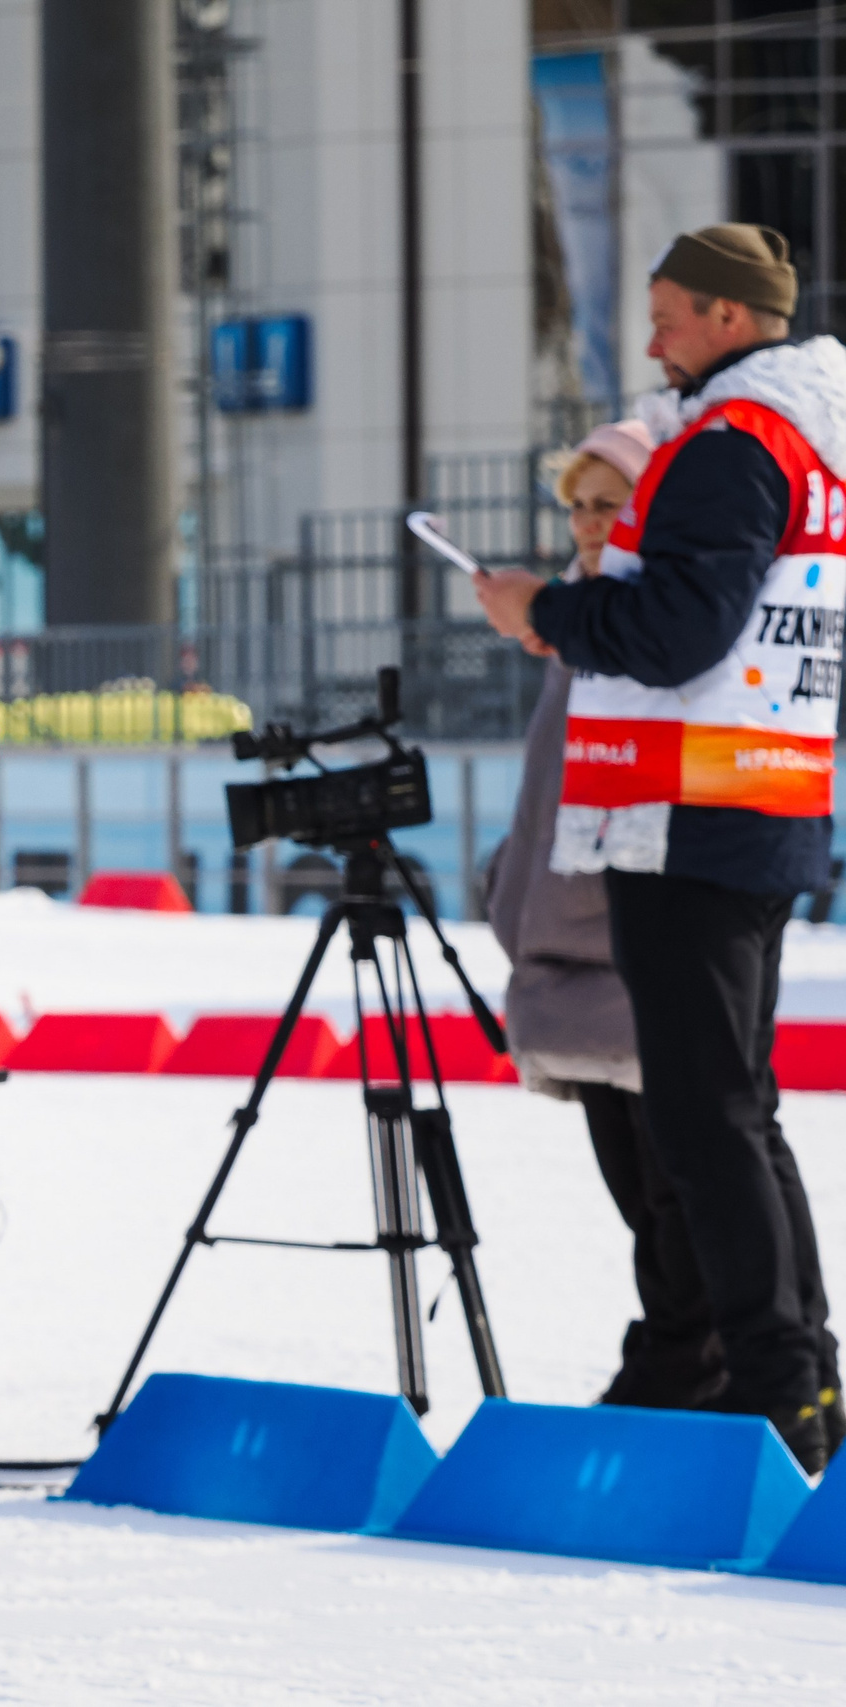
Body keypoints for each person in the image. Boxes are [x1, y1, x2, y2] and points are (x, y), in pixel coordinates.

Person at [475, 223, 841, 1471]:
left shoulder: (730, 447)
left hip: (686, 815)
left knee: (702, 1123)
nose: (650, 339)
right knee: (737, 1110)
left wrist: (551, 610)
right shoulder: (803, 442)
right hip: (759, 799)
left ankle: (774, 1391)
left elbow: (681, 629)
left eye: (672, 313)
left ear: (731, 319)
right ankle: (802, 1376)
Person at [484, 419, 728, 1410]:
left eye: (609, 503)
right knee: (643, 1198)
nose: (588, 523)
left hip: (634, 951)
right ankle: (678, 1363)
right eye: (577, 505)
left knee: (682, 1198)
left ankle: (685, 1371)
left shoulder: (653, 630)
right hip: (571, 964)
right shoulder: (575, 636)